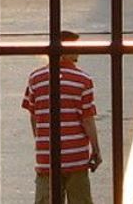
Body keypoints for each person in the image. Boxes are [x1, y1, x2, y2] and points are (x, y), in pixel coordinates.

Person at [22, 31, 101, 204]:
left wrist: (42, 141)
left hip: (47, 158)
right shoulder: (83, 80)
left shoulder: (35, 79)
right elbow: (87, 120)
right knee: (80, 200)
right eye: (75, 47)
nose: (79, 50)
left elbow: (34, 117)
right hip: (76, 157)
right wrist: (96, 149)